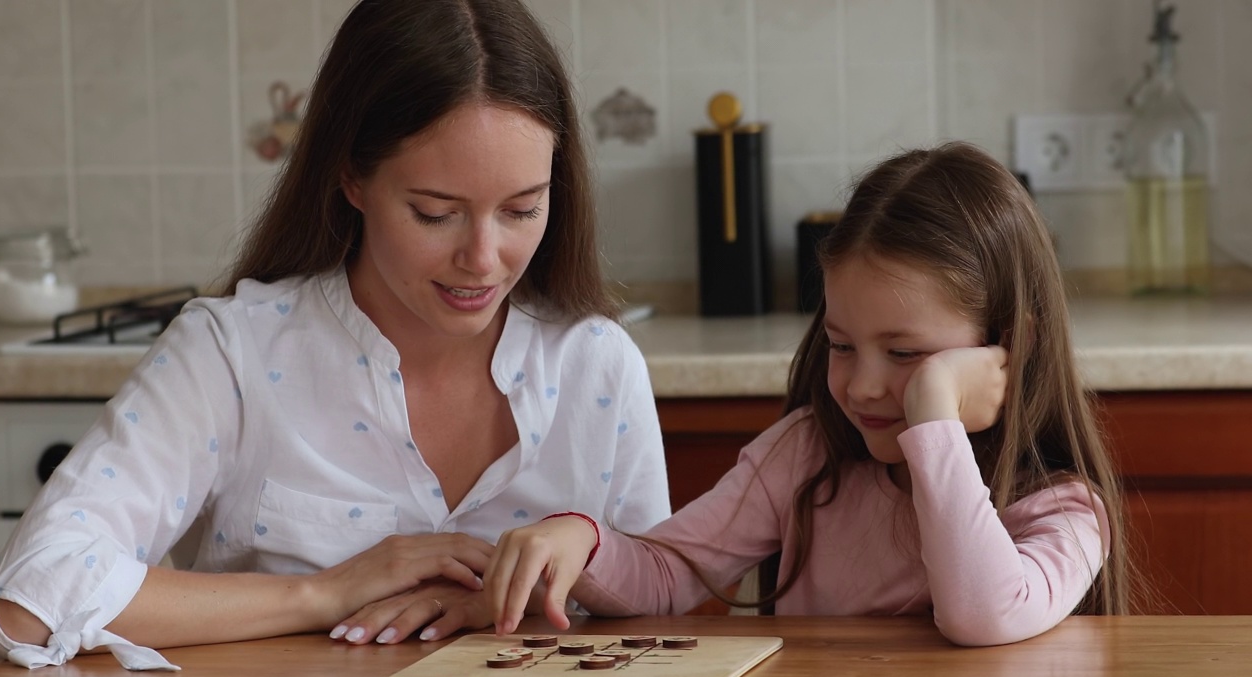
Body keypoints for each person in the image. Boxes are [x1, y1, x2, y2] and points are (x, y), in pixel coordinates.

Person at [0, 0, 671, 670]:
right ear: (351, 179)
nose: (484, 258)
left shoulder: (597, 366)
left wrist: (566, 567)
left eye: (522, 209)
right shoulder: (233, 354)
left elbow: (667, 605)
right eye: (435, 213)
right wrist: (323, 593)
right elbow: (31, 596)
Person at [486, 142, 1135, 647]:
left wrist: (933, 409)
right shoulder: (805, 455)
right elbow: (666, 575)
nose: (862, 384)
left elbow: (985, 613)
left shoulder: (1066, 513)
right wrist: (581, 539)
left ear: (1006, 348)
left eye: (908, 355)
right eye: (842, 345)